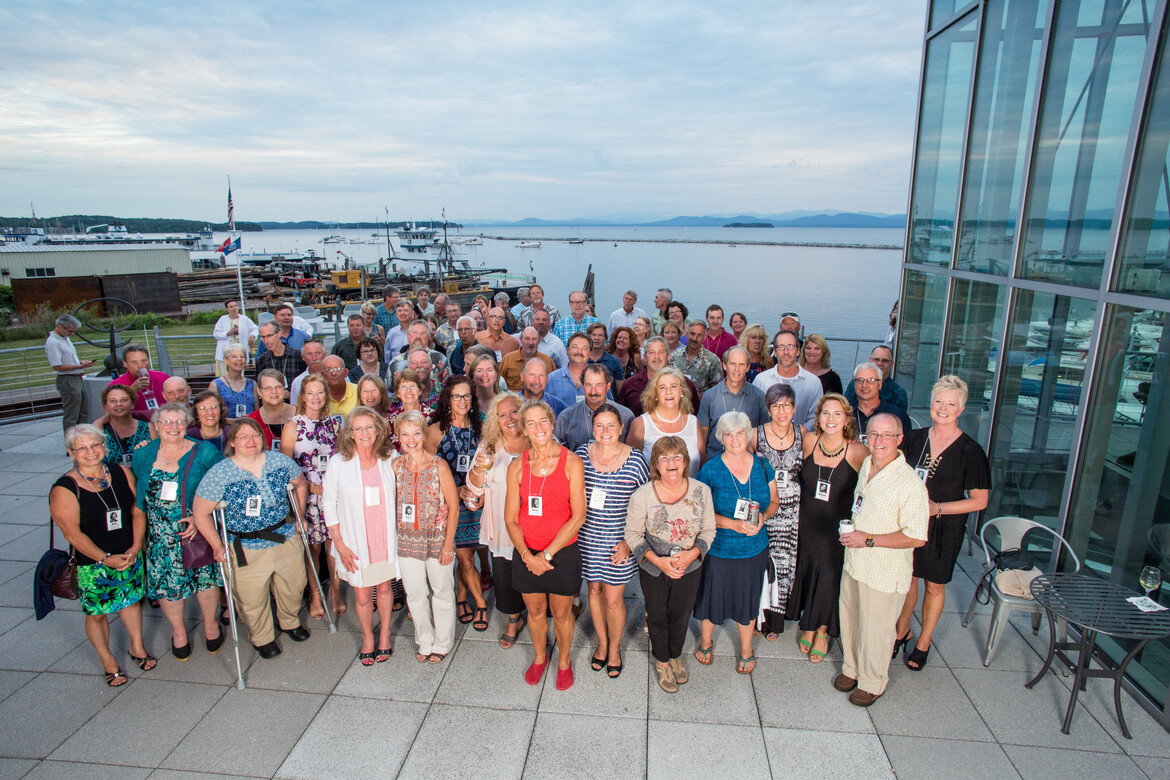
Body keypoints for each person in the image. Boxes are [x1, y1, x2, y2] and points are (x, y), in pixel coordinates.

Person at [191, 418, 311, 659]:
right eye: (243, 437)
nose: (250, 441)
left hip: (285, 536)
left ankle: (289, 621)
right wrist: (217, 544)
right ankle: (262, 637)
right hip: (245, 545)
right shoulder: (220, 473)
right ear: (233, 442)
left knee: (294, 585)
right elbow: (201, 513)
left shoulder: (279, 461)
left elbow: (300, 484)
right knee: (251, 597)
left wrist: (300, 515)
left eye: (255, 435)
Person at [894, 376, 990, 671]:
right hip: (910, 522)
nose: (943, 408)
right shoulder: (914, 438)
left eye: (951, 404)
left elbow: (979, 501)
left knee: (934, 586)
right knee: (907, 579)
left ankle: (923, 642)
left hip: (945, 526)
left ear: (960, 409)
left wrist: (938, 509)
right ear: (931, 403)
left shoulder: (970, 451)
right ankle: (901, 631)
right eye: (938, 402)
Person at [835, 413, 928, 707]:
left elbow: (917, 537)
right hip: (855, 562)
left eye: (886, 435)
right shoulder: (867, 465)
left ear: (899, 439)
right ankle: (852, 668)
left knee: (877, 628)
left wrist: (869, 539)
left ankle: (873, 681)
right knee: (850, 618)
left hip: (884, 570)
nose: (878, 441)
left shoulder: (910, 483)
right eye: (873, 434)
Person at [51, 424, 154, 686]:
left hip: (129, 553)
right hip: (93, 563)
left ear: (104, 445)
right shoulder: (65, 488)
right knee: (97, 614)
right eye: (82, 448)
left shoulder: (121, 472)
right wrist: (104, 558)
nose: (90, 452)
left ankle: (137, 647)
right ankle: (107, 660)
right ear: (71, 452)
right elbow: (72, 534)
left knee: (131, 601)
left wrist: (135, 546)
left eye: (95, 445)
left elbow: (137, 510)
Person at [504, 400, 587, 691]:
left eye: (543, 421)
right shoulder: (517, 467)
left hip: (561, 554)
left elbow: (578, 516)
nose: (538, 428)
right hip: (527, 553)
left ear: (552, 424)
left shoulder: (571, 462)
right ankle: (540, 657)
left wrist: (547, 554)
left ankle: (564, 661)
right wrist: (528, 556)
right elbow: (511, 519)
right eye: (531, 423)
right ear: (524, 429)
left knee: (562, 613)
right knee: (536, 612)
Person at [130, 404, 223, 659]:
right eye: (167, 422)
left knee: (205, 580)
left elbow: (224, 482)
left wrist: (199, 516)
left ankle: (211, 624)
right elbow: (139, 500)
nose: (173, 427)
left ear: (187, 424)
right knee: (170, 586)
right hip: (160, 536)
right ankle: (179, 631)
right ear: (157, 425)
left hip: (196, 530)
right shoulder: (143, 455)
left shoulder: (203, 451)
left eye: (179, 422)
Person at [692, 411, 780, 675]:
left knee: (747, 599)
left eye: (739, 433)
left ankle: (745, 648)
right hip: (718, 548)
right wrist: (733, 524)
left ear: (748, 435)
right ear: (721, 438)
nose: (734, 439)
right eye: (728, 434)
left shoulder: (764, 466)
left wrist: (764, 516)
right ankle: (706, 641)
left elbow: (774, 501)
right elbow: (699, 512)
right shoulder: (710, 470)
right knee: (710, 596)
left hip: (754, 549)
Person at [626, 436, 716, 692]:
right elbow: (632, 535)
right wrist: (658, 561)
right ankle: (662, 662)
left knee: (680, 614)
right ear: (656, 464)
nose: (671, 462)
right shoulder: (643, 495)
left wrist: (693, 554)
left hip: (690, 565)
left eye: (677, 456)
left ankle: (675, 656)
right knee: (657, 614)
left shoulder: (701, 491)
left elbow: (709, 530)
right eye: (664, 457)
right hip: (654, 567)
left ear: (685, 461)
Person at [786, 393, 869, 664]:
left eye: (837, 414)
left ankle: (823, 630)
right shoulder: (810, 441)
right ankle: (809, 624)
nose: (831, 419)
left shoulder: (857, 450)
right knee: (809, 571)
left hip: (837, 527)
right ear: (818, 417)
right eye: (825, 413)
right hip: (807, 522)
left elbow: (872, 489)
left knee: (830, 575)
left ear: (847, 419)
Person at [322, 407, 399, 665]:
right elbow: (328, 503)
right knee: (363, 594)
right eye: (358, 428)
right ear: (350, 434)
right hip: (354, 540)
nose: (365, 433)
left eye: (369, 427)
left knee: (385, 587)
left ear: (378, 430)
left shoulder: (390, 457)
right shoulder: (338, 463)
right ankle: (368, 637)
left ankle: (385, 633)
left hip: (385, 538)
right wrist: (339, 544)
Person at [577, 404, 649, 678]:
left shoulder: (636, 460)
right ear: (592, 428)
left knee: (613, 598)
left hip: (619, 542)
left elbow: (646, 505)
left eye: (611, 426)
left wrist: (630, 543)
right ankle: (602, 643)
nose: (605, 431)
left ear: (621, 428)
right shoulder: (581, 455)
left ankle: (615, 648)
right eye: (599, 426)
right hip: (587, 539)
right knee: (593, 591)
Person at [465, 393, 529, 648]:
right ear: (496, 420)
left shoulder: (537, 438)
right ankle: (514, 619)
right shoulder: (489, 446)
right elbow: (473, 487)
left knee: (535, 571)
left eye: (514, 412)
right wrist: (479, 470)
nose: (510, 419)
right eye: (502, 415)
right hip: (502, 525)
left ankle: (539, 613)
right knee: (505, 575)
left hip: (534, 524)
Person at [394, 410, 459, 661]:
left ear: (424, 434)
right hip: (407, 541)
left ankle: (443, 642)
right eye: (405, 434)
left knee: (442, 590)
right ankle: (424, 639)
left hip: (437, 540)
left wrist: (447, 545)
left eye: (416, 433)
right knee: (415, 594)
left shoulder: (438, 465)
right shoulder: (395, 466)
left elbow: (453, 507)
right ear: (398, 437)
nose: (411, 440)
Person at [425, 378, 488, 632]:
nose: (462, 402)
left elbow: (490, 463)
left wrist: (484, 493)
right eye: (456, 396)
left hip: (477, 502)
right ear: (447, 399)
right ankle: (481, 604)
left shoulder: (481, 427)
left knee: (469, 555)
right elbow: (428, 473)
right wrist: (454, 490)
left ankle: (461, 597)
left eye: (466, 397)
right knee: (464, 558)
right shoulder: (435, 431)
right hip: (451, 505)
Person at [281, 372, 345, 620]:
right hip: (307, 497)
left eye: (320, 392)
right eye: (311, 393)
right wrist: (309, 486)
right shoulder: (293, 426)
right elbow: (285, 467)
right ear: (303, 397)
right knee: (314, 548)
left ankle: (336, 592)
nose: (316, 397)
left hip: (333, 495)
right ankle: (316, 594)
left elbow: (342, 458)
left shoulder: (334, 423)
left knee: (334, 546)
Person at [750, 384, 804, 639]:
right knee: (759, 562)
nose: (781, 411)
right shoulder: (755, 434)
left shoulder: (804, 433)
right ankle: (755, 615)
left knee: (784, 565)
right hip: (763, 506)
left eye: (786, 405)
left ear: (793, 407)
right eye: (775, 405)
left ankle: (775, 618)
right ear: (768, 408)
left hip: (791, 512)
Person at [627, 367, 704, 475]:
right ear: (655, 394)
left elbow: (703, 467)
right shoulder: (640, 424)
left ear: (681, 391)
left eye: (673, 386)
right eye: (662, 388)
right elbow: (631, 468)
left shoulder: (693, 422)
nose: (668, 392)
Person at [697, 346, 768, 459]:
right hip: (715, 462)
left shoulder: (759, 397)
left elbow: (764, 434)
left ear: (748, 367)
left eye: (741, 364)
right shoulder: (710, 396)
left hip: (747, 465)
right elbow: (703, 435)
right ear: (725, 365)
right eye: (733, 364)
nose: (736, 369)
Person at [554, 364, 634, 452]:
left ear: (608, 386)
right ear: (582, 385)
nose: (593, 391)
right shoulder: (566, 417)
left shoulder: (626, 416)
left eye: (599, 385)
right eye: (588, 385)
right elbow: (557, 452)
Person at [753, 331, 823, 429]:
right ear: (775, 352)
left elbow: (815, 417)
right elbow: (755, 415)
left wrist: (797, 436)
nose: (786, 352)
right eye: (781, 347)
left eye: (790, 346)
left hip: (803, 441)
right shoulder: (761, 380)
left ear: (798, 351)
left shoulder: (813, 383)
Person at [617, 336, 699, 417]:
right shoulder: (630, 384)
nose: (656, 357)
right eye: (651, 352)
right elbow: (620, 415)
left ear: (668, 356)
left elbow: (695, 415)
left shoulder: (685, 384)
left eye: (661, 352)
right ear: (645, 357)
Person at [46, 314, 94, 435]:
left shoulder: (65, 338)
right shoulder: (53, 342)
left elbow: (68, 359)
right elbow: (57, 366)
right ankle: (71, 443)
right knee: (72, 413)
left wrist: (80, 363)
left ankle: (84, 437)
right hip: (67, 380)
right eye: (70, 331)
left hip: (77, 378)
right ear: (61, 327)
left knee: (83, 410)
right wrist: (79, 366)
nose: (72, 334)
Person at [850, 362, 912, 441]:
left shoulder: (898, 416)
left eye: (871, 380)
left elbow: (906, 448)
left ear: (880, 384)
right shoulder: (845, 414)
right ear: (854, 384)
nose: (864, 385)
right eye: (859, 380)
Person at [96, 384, 153, 468]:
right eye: (112, 401)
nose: (118, 404)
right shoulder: (100, 431)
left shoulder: (148, 428)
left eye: (124, 400)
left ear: (132, 404)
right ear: (106, 406)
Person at [844, 345, 909, 412]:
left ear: (892, 364)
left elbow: (900, 419)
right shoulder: (856, 383)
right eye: (876, 359)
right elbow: (845, 408)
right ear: (870, 361)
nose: (880, 363)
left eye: (885, 361)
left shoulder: (898, 393)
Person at [107, 345, 167, 414]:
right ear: (125, 364)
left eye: (144, 361)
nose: (140, 366)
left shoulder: (162, 377)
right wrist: (131, 391)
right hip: (135, 422)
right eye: (134, 362)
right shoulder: (116, 385)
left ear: (149, 360)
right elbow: (111, 413)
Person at [248, 369, 295, 450]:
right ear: (259, 391)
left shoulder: (300, 414)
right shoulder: (252, 421)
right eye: (268, 388)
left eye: (278, 387)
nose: (274, 391)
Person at [546, 332, 594, 408]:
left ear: (590, 353)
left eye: (584, 348)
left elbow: (609, 407)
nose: (579, 352)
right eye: (575, 347)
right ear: (567, 350)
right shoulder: (550, 379)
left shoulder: (600, 379)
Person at [210, 344, 258, 418]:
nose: (239, 359)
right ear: (226, 361)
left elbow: (257, 413)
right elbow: (212, 415)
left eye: (242, 356)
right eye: (234, 356)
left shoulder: (252, 384)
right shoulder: (216, 385)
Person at [212, 300, 258, 376]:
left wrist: (252, 336)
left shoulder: (244, 319)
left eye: (235, 306)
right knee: (225, 375)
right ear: (227, 309)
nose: (234, 308)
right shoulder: (223, 319)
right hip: (225, 352)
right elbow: (216, 333)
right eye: (231, 306)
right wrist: (228, 333)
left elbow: (255, 329)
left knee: (238, 374)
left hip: (238, 352)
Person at [289, 339, 326, 406]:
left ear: (324, 355)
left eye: (317, 353)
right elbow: (296, 409)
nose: (314, 358)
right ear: (303, 357)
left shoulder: (336, 376)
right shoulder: (298, 382)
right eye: (309, 354)